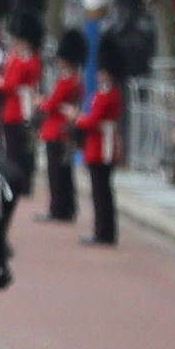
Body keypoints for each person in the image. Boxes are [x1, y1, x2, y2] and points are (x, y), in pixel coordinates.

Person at [73, 36, 123, 246]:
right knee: (101, 191)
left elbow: (93, 120)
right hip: (98, 144)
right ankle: (103, 230)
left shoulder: (108, 94)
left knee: (101, 193)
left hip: (102, 146)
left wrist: (77, 118)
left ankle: (103, 232)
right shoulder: (104, 92)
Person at [37, 31, 84, 224]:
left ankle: (57, 208)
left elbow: (51, 104)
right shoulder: (75, 80)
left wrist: (40, 102)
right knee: (65, 172)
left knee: (56, 174)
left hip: (56, 130)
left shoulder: (66, 80)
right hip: (65, 129)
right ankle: (67, 207)